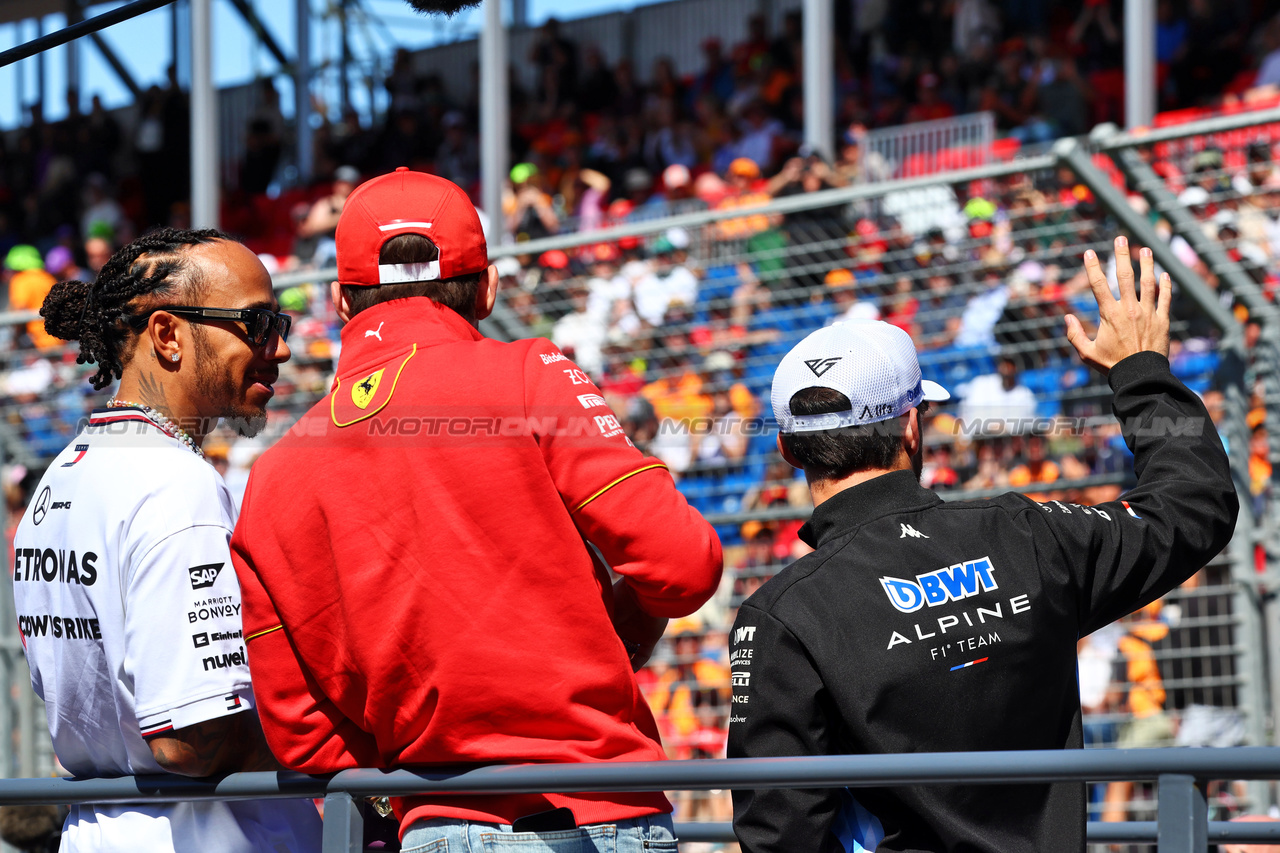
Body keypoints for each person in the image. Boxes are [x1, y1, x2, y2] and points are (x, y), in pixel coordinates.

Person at [229, 169, 722, 849]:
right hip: (600, 806)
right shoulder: (530, 372)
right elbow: (684, 565)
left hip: (437, 822)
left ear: (341, 302)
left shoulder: (272, 474)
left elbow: (300, 730)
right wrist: (616, 633)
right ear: (487, 288)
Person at [727, 238, 1238, 852]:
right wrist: (1141, 374)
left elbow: (780, 835)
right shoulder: (1027, 535)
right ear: (912, 427)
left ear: (788, 450)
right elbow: (1192, 505)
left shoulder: (782, 616)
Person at [12, 229, 319, 853]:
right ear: (168, 334)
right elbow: (192, 739)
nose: (280, 348)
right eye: (257, 323)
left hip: (104, 830)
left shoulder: (64, 473)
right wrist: (338, 752)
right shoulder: (175, 484)